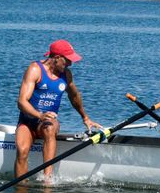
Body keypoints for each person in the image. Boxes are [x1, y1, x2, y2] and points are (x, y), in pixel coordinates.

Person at [13, 39, 101, 180]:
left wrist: (85, 117)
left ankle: (47, 180)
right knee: (22, 151)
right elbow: (22, 102)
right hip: (28, 121)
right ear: (57, 58)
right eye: (67, 60)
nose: (70, 64)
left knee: (50, 127)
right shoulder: (35, 69)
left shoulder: (66, 75)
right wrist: (40, 115)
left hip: (47, 123)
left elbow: (74, 96)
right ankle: (20, 189)